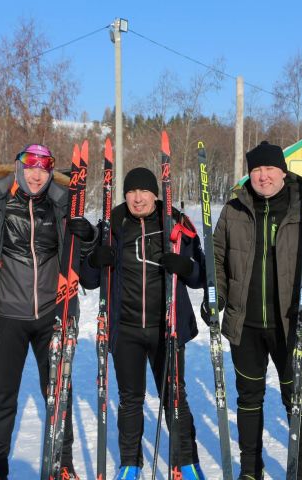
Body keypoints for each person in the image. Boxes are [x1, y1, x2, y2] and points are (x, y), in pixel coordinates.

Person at [0, 144, 97, 480]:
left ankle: (62, 464)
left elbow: (81, 251)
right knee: (1, 400)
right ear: (19, 168)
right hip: (6, 317)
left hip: (53, 314)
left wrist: (89, 235)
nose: (37, 175)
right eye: (31, 167)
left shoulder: (61, 202)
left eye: (44, 168)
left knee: (58, 395)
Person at [210, 141, 302, 479]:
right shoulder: (233, 210)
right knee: (249, 400)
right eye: (256, 170)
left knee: (296, 400)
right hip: (244, 325)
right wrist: (217, 299)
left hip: (290, 325)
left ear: (283, 171)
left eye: (268, 169)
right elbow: (217, 260)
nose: (262, 176)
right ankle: (251, 470)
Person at [80, 167, 207, 480]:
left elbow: (202, 275)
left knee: (175, 396)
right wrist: (96, 259)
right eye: (131, 192)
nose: (137, 198)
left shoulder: (176, 223)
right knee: (130, 400)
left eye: (144, 192)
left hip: (169, 326)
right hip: (126, 329)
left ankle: (185, 462)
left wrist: (186, 266)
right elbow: (88, 278)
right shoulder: (111, 226)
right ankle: (130, 463)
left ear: (155, 194)